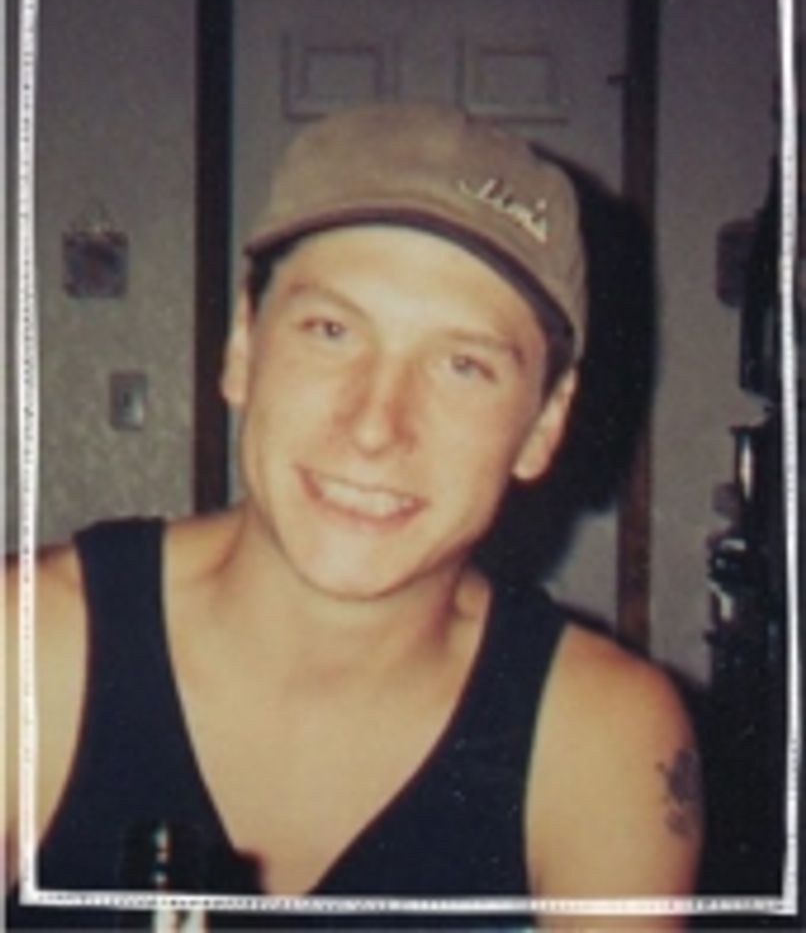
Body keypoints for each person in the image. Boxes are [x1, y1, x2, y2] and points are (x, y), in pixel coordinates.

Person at [5, 102, 702, 929]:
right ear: (243, 345)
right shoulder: (31, 650)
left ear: (545, 422)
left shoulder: (604, 738)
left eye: (463, 365)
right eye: (332, 330)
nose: (375, 426)